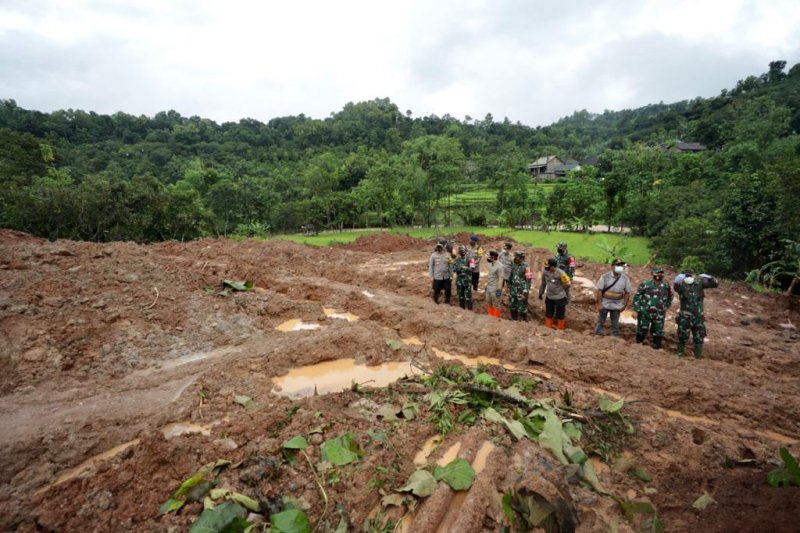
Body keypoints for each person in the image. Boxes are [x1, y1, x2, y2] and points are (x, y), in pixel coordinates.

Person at [673, 269, 719, 358]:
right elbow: (676, 287)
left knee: (699, 337)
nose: (689, 278)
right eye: (687, 276)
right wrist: (679, 280)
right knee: (682, 336)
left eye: (690, 275)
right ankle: (680, 354)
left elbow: (715, 284)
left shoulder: (699, 284)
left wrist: (709, 277)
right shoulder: (681, 285)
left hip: (698, 317)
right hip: (685, 316)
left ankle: (697, 357)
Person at [632, 267, 673, 349]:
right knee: (642, 329)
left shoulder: (666, 285)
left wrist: (666, 306)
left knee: (657, 331)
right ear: (652, 274)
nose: (658, 275)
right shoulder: (645, 284)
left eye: (660, 274)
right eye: (656, 274)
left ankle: (656, 346)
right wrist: (638, 308)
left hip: (659, 313)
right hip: (645, 312)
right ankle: (638, 345)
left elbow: (670, 296)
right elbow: (637, 296)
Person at [594, 259, 632, 337]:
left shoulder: (625, 279)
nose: (620, 267)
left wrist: (624, 305)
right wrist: (600, 303)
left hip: (617, 304)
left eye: (621, 266)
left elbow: (627, 293)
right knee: (601, 320)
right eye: (617, 265)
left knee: (615, 322)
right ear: (612, 267)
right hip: (605, 302)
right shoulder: (605, 277)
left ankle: (614, 336)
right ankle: (598, 333)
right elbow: (599, 290)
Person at [539, 257, 571, 330]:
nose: (546, 268)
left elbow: (567, 284)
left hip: (559, 297)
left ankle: (560, 329)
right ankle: (548, 328)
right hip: (549, 297)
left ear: (553, 267)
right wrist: (541, 292)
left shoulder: (561, 274)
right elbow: (543, 283)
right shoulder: (545, 272)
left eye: (548, 267)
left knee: (560, 315)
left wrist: (564, 294)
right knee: (549, 313)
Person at [508, 251, 532, 321]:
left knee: (522, 305)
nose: (515, 258)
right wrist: (509, 285)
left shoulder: (527, 267)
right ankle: (514, 319)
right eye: (515, 257)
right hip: (513, 289)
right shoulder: (514, 265)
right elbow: (511, 275)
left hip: (521, 290)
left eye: (517, 257)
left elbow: (528, 280)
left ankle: (523, 320)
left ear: (522, 258)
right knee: (512, 303)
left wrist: (526, 291)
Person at [485, 250, 504, 317]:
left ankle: (495, 319)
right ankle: (490, 317)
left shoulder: (500, 266)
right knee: (489, 302)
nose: (488, 258)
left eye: (489, 257)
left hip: (495, 288)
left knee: (496, 305)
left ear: (493, 257)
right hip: (489, 287)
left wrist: (499, 290)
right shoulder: (490, 264)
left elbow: (501, 278)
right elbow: (490, 276)